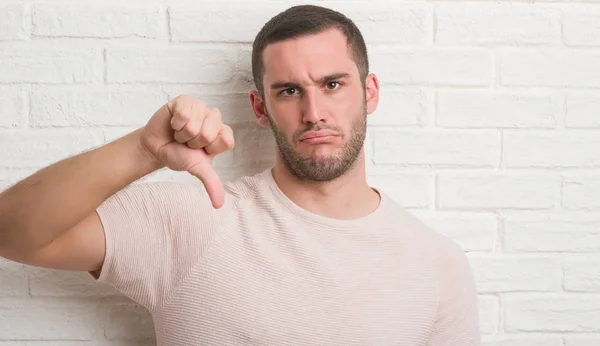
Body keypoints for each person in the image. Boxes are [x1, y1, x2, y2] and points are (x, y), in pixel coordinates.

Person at [0, 4, 481, 346]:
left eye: (332, 84)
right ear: (260, 107)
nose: (314, 111)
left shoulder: (437, 263)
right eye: (290, 91)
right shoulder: (194, 221)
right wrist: (144, 150)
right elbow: (11, 232)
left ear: (369, 92)